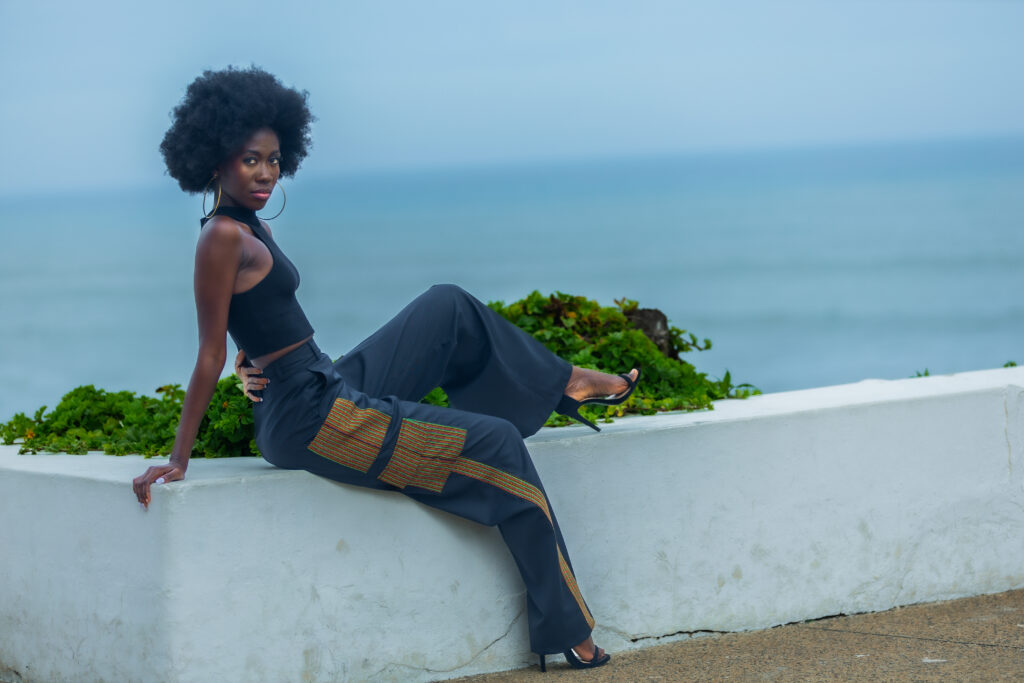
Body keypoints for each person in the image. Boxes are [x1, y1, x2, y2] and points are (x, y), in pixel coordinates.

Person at [132, 66, 638, 673]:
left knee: (447, 307)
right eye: (250, 160)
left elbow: (252, 321)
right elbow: (209, 350)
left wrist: (251, 363)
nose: (266, 173)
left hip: (318, 384)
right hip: (312, 418)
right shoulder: (220, 236)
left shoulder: (249, 222)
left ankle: (563, 383)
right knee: (500, 444)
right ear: (216, 161)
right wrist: (179, 458)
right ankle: (570, 630)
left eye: (274, 160)